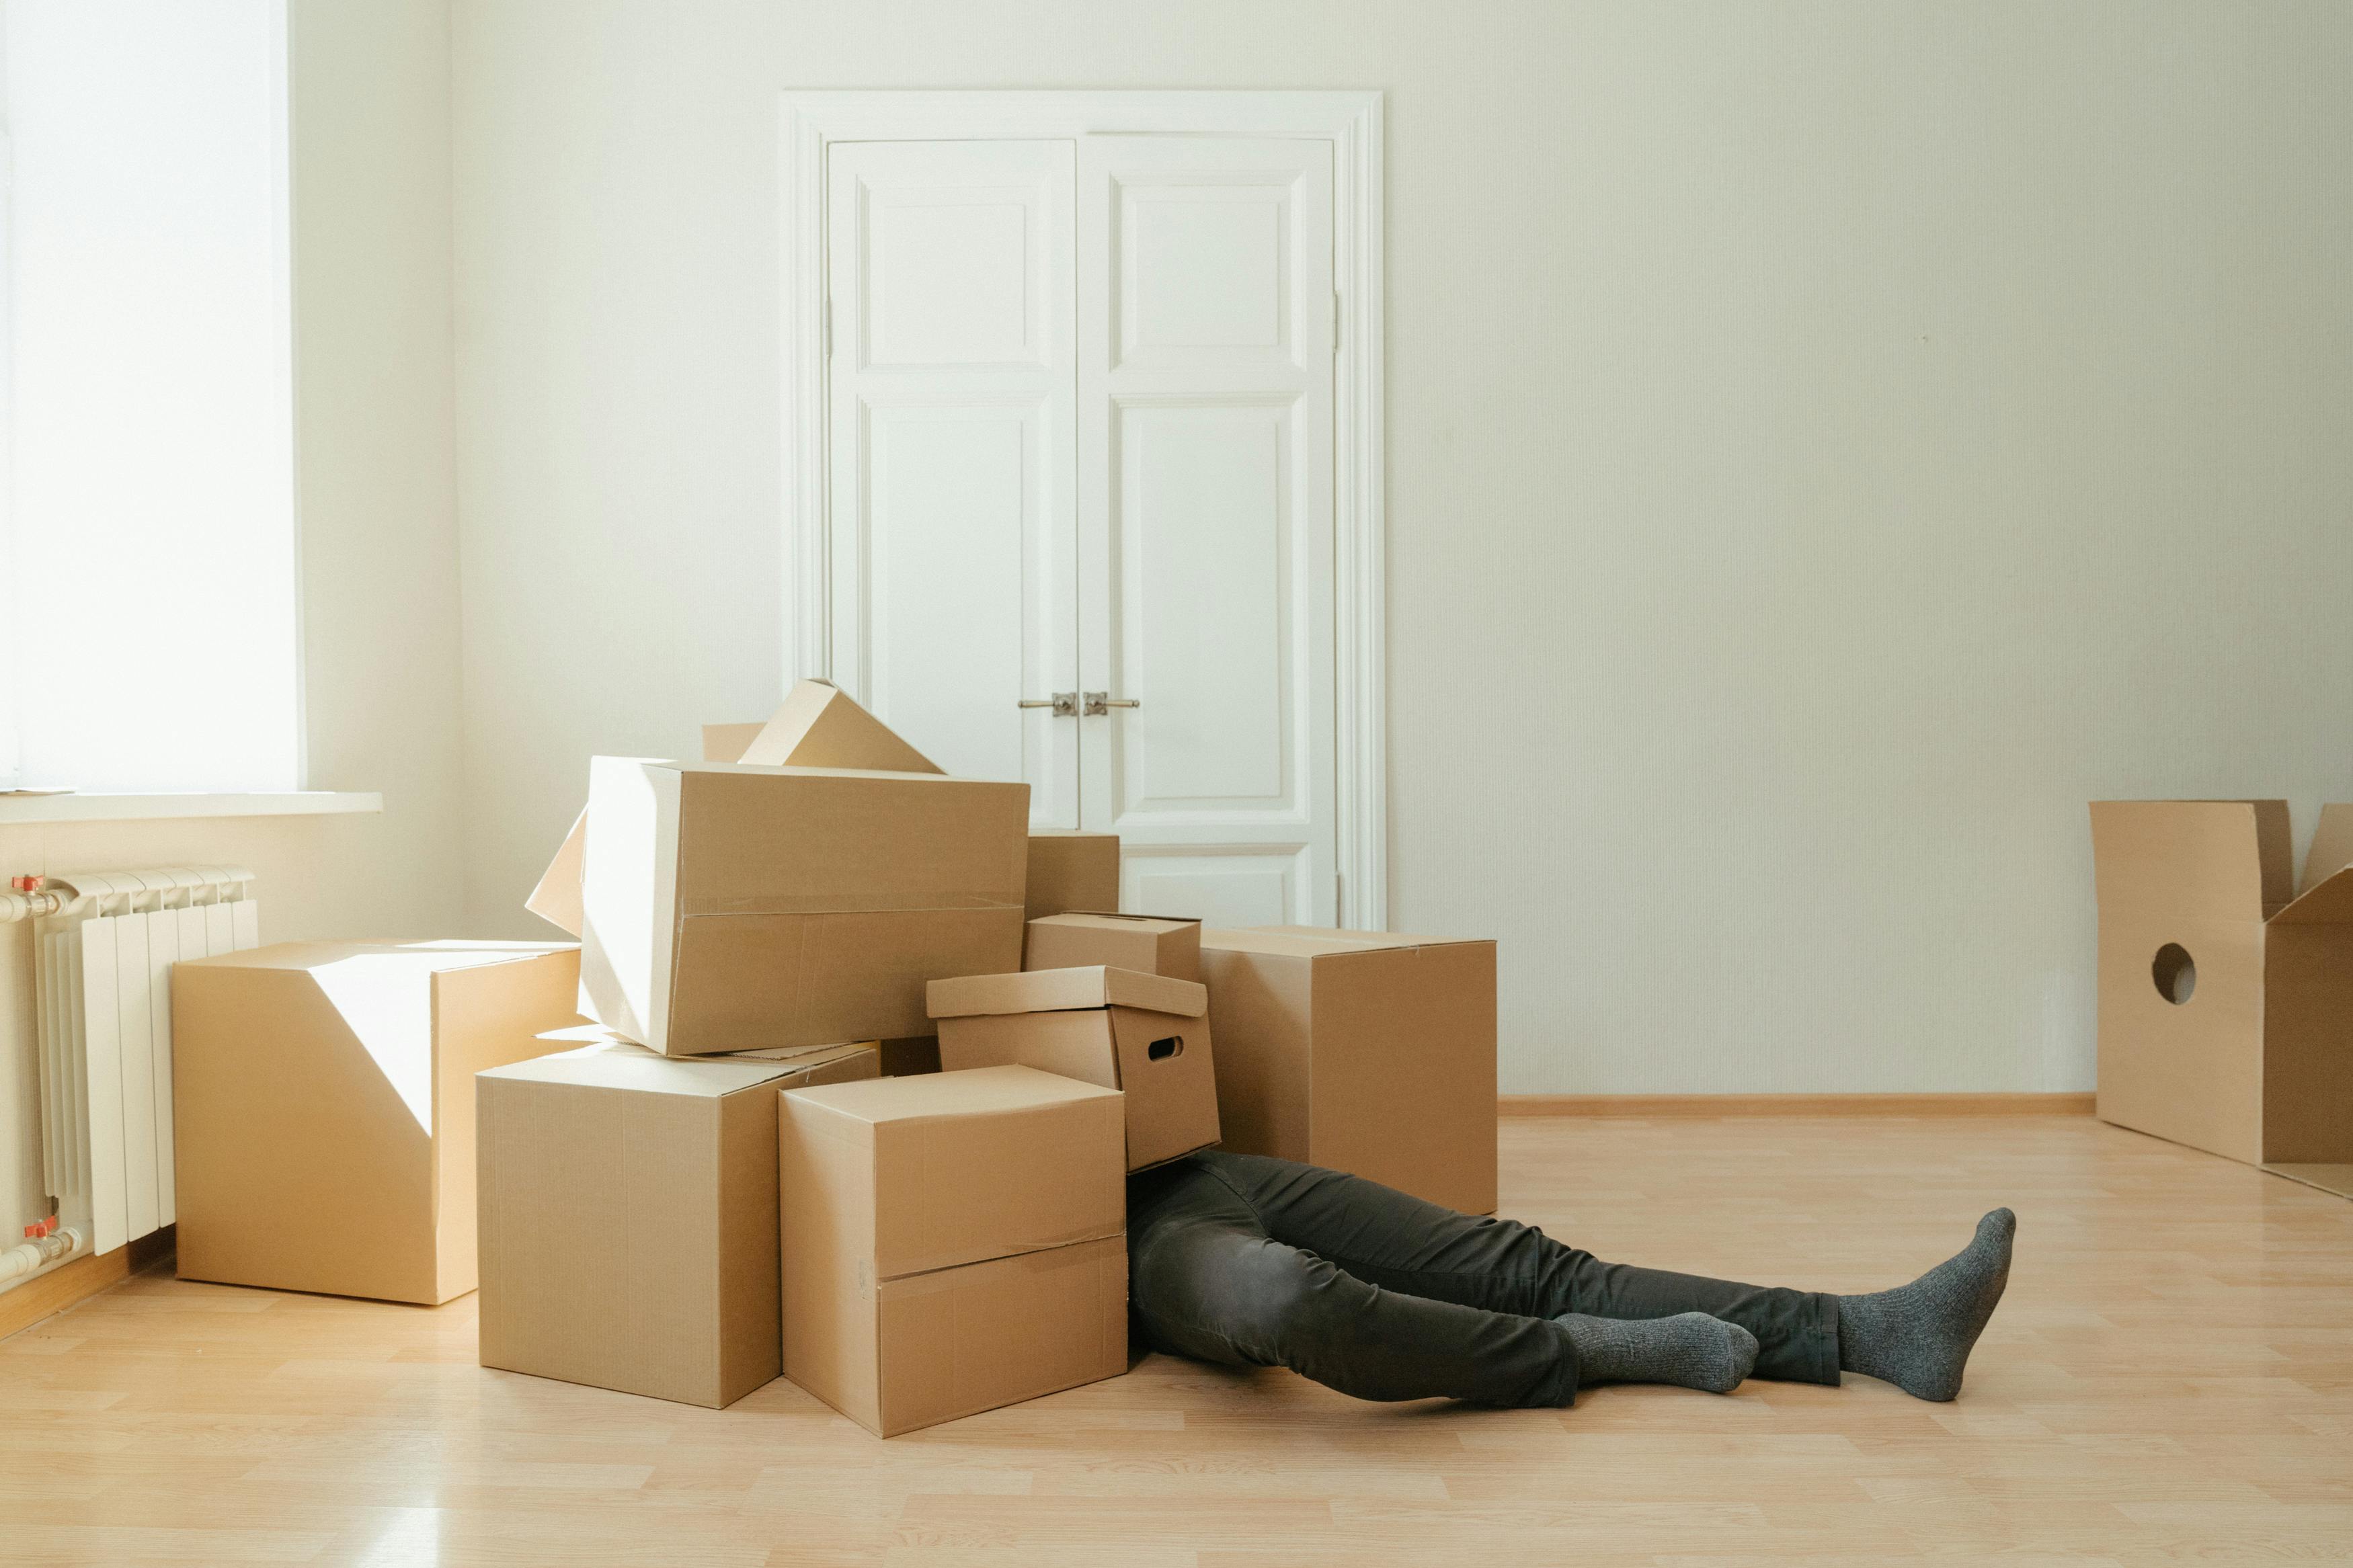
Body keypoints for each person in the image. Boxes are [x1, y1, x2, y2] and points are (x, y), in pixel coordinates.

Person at [1127, 1150, 2013, 1407]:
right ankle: (1572, 1353)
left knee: (1525, 1262)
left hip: (1190, 1162)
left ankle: (1871, 1330)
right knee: (1285, 1296)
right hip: (1124, 1230)